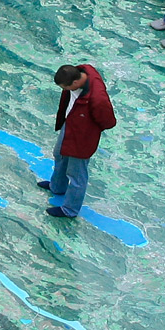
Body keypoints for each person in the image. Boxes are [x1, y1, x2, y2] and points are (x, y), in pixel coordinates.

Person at [37, 65, 116, 218]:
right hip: (71, 124)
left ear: (74, 84)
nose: (64, 90)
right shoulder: (83, 70)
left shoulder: (97, 98)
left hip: (83, 137)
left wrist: (89, 129)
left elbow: (108, 121)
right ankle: (57, 187)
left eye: (64, 88)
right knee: (59, 154)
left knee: (77, 174)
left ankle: (70, 210)